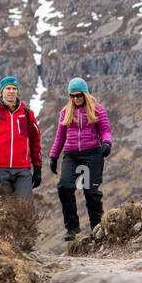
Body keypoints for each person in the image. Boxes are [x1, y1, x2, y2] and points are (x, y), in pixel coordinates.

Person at [49, 78, 111, 241]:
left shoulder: (97, 110)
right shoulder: (65, 111)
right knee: (64, 187)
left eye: (79, 95)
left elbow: (105, 130)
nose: (76, 98)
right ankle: (72, 228)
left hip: (92, 154)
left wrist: (106, 143)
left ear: (85, 94)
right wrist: (53, 156)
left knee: (91, 191)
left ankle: (97, 228)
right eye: (73, 96)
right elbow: (60, 137)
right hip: (71, 155)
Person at [0, 76, 42, 198]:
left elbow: (35, 142)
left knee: (25, 208)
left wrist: (37, 168)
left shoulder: (27, 114)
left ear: (17, 91)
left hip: (22, 169)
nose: (11, 91)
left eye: (14, 88)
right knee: (1, 210)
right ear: (2, 92)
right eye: (8, 88)